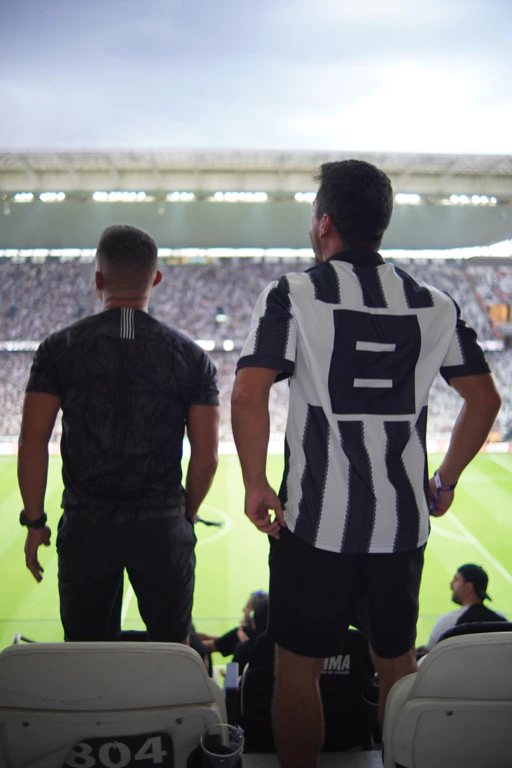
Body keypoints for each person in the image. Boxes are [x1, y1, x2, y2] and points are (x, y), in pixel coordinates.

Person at [231, 159, 501, 768]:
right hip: (401, 526)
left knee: (296, 670)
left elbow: (248, 393)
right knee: (397, 665)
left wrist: (254, 483)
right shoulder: (434, 303)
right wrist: (446, 479)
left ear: (324, 223)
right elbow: (485, 400)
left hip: (313, 524)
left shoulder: (292, 293)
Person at [18, 224, 219, 643]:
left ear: (98, 280)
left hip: (86, 527)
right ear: (155, 279)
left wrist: (35, 522)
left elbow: (33, 442)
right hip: (162, 527)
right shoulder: (192, 357)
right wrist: (184, 515)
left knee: (88, 654)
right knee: (173, 651)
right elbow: (206, 458)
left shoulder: (58, 348)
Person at [424, 564, 507, 650]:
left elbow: (430, 654)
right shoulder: (502, 622)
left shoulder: (447, 622)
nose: (451, 584)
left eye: (456, 580)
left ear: (468, 587)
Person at [200, 590, 269, 657]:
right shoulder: (269, 635)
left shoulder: (243, 632)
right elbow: (221, 641)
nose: (243, 609)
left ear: (254, 612)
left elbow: (210, 646)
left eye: (247, 606)